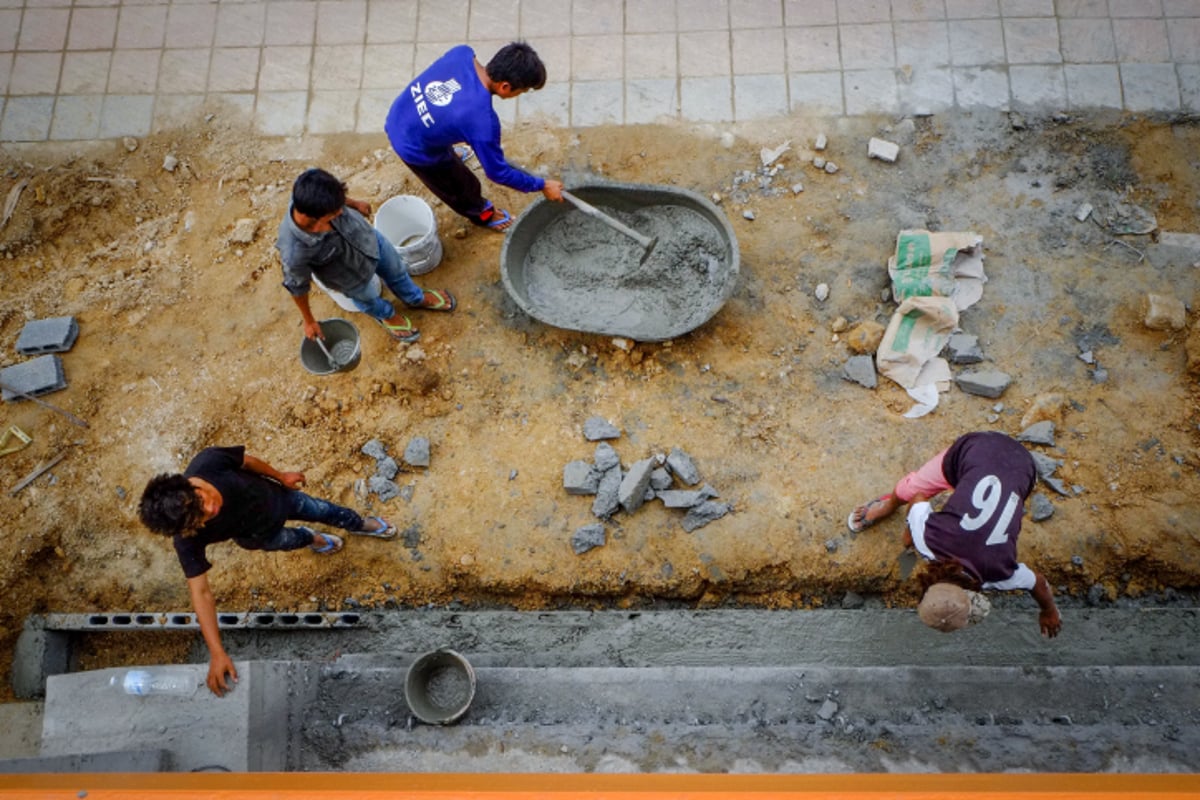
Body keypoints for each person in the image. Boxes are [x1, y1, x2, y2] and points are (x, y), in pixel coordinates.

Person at [138, 445, 397, 696]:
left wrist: (280, 476)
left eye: (201, 500)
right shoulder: (187, 539)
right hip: (260, 536)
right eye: (201, 519)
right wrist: (217, 652)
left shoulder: (209, 461)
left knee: (323, 509)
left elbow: (247, 462)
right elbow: (201, 593)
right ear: (187, 529)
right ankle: (312, 539)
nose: (210, 509)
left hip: (281, 499)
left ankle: (358, 523)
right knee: (292, 540)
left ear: (187, 486)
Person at [846, 431, 1062, 638]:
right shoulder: (928, 540)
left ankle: (892, 505)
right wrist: (910, 533)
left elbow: (1039, 583)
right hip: (982, 450)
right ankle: (887, 506)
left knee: (996, 496)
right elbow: (918, 499)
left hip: (1023, 467)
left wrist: (1049, 611)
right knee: (908, 492)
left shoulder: (1002, 574)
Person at [385, 41, 564, 233]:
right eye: (522, 91)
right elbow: (498, 173)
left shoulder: (462, 53)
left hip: (399, 113)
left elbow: (449, 104)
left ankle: (444, 146)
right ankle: (483, 214)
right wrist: (542, 185)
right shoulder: (482, 121)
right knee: (462, 186)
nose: (520, 95)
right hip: (412, 146)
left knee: (450, 126)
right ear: (505, 86)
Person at [276, 167, 456, 345]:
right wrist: (309, 320)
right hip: (350, 277)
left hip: (368, 240)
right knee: (368, 299)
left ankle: (415, 298)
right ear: (315, 221)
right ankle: (388, 316)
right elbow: (297, 287)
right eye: (334, 213)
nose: (341, 212)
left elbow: (336, 198)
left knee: (397, 270)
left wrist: (354, 204)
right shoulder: (294, 250)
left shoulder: (311, 186)